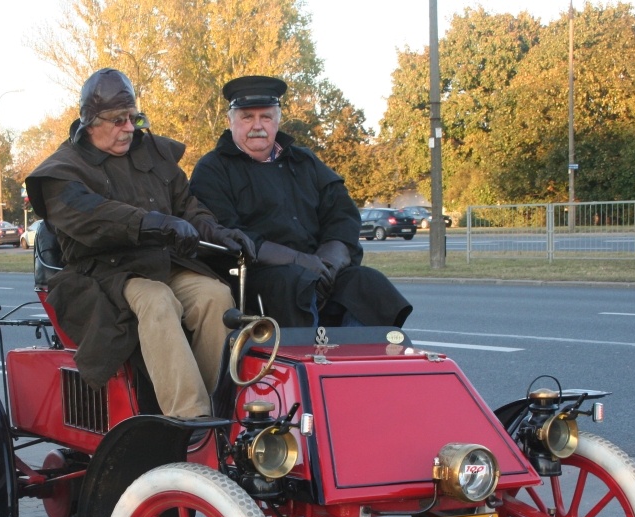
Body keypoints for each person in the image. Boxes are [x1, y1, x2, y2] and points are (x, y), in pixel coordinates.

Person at [24, 68, 254, 419]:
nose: (130, 128)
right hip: (103, 274)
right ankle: (190, 419)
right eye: (119, 120)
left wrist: (216, 232)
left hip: (162, 263)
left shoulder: (152, 153)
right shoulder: (62, 170)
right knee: (157, 300)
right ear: (89, 121)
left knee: (215, 296)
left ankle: (219, 409)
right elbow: (92, 215)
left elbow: (187, 207)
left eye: (134, 117)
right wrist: (155, 223)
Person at [190, 75, 412, 329]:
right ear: (230, 121)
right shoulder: (213, 169)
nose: (257, 126)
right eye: (247, 117)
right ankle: (308, 363)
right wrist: (298, 261)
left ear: (278, 120)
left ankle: (357, 361)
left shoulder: (304, 162)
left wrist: (329, 262)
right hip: (256, 273)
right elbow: (225, 232)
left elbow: (342, 214)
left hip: (319, 267)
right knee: (295, 283)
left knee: (367, 282)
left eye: (266, 117)